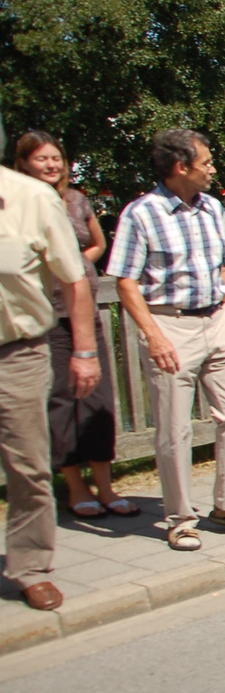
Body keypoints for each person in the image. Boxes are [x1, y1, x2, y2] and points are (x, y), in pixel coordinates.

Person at [108, 130, 225, 551]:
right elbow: (125, 282)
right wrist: (153, 334)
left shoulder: (213, 208)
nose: (213, 167)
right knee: (174, 429)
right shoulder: (141, 214)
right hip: (170, 325)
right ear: (181, 167)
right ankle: (179, 518)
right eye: (207, 161)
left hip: (216, 319)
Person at [0, 158, 101, 610]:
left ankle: (29, 565)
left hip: (14, 352)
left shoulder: (31, 197)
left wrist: (84, 351)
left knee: (28, 466)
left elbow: (73, 279)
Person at [12, 131, 129, 519]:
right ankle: (75, 487)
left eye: (55, 158)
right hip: (47, 320)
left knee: (98, 401)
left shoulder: (75, 200)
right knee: (61, 402)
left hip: (86, 312)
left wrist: (75, 265)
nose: (50, 165)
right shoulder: (19, 203)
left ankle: (107, 486)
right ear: (24, 162)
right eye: (41, 159)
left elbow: (97, 243)